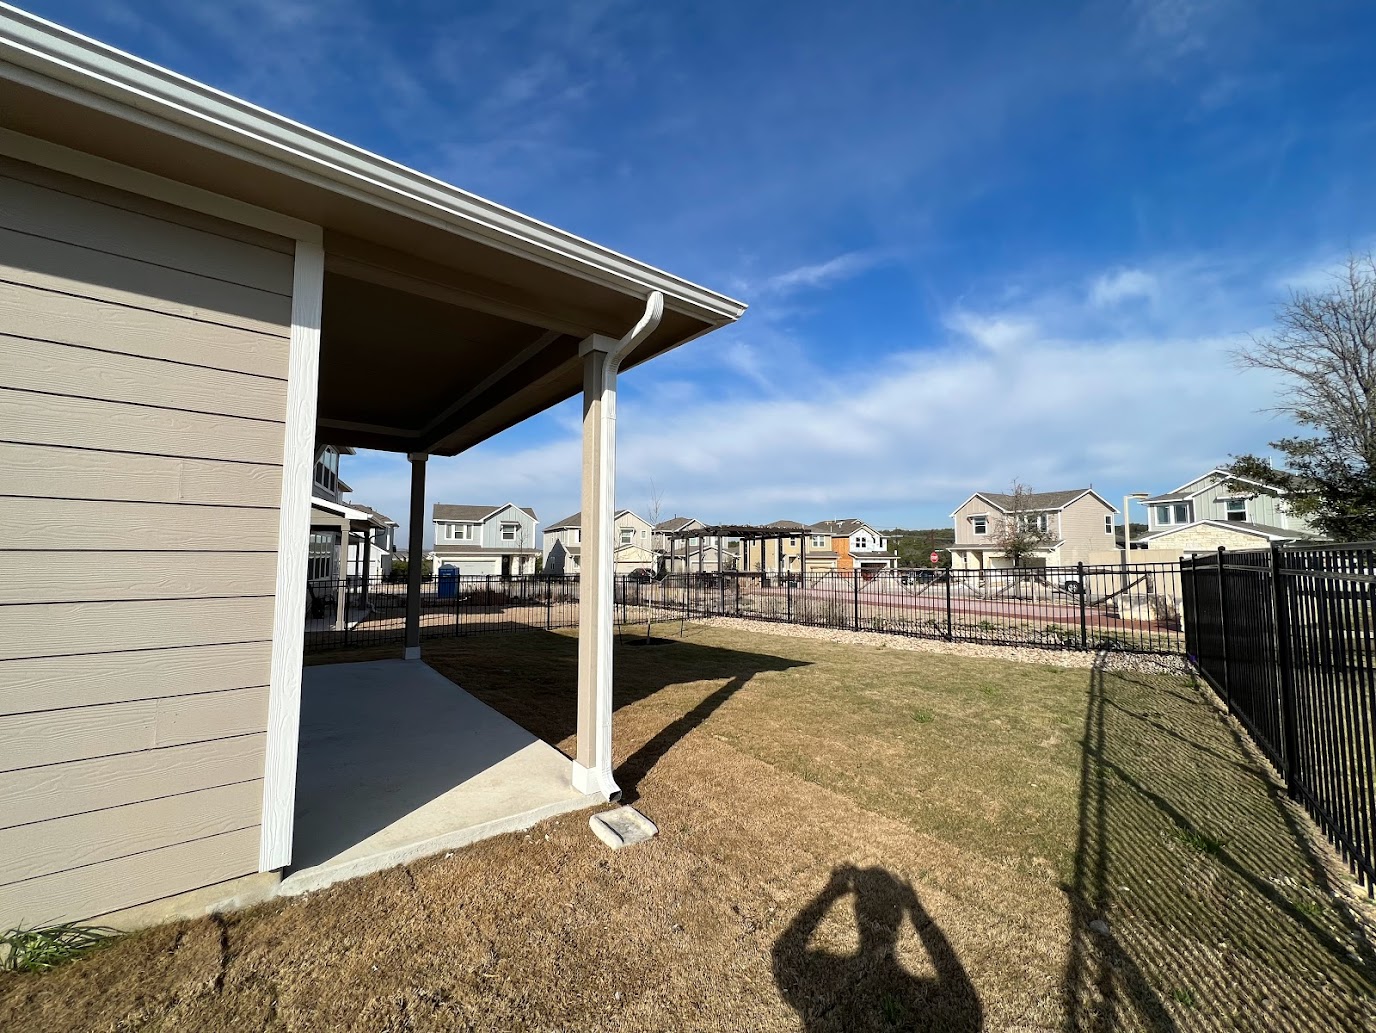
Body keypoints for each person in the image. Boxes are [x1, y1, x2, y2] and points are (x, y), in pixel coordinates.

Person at [773, 865, 983, 1032]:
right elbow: (953, 976)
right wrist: (916, 909)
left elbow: (783, 951)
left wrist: (832, 892)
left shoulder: (821, 984)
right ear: (900, 919)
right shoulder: (961, 1016)